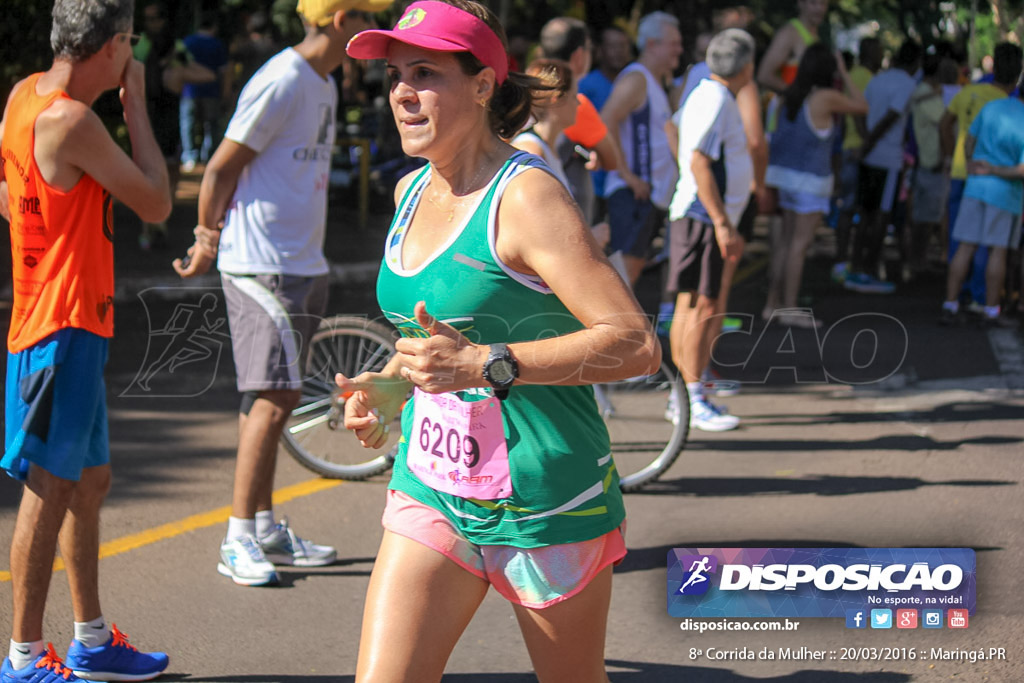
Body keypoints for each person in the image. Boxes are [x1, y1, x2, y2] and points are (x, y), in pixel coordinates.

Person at [342, 2, 660, 680]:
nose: (401, 91)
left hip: (548, 499)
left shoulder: (525, 198)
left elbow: (634, 343)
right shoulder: (408, 191)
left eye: (425, 73)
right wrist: (391, 388)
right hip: (433, 485)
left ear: (483, 85)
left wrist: (487, 363)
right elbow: (430, 343)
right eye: (395, 75)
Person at [173, 0, 382, 587]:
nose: (378, 34)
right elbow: (219, 168)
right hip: (258, 265)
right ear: (341, 20)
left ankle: (262, 526)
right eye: (371, 18)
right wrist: (206, 241)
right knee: (273, 399)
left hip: (300, 263)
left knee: (275, 401)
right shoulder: (283, 78)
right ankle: (238, 537)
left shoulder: (325, 83)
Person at [0, 0, 172, 679]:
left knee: (89, 482)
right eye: (129, 43)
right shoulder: (73, 119)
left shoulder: (24, 95)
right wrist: (134, 108)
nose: (132, 55)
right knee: (50, 487)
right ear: (114, 46)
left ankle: (92, 639)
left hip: (62, 319)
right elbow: (157, 202)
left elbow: (10, 195)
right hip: (61, 328)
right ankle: (21, 656)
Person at [664, 29, 756, 431]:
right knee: (701, 305)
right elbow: (700, 158)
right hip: (703, 215)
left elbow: (674, 130)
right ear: (748, 66)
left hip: (697, 211)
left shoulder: (705, 92)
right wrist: (722, 222)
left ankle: (686, 394)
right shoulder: (718, 99)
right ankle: (690, 396)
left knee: (694, 304)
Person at [763, 44, 867, 326]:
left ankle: (773, 304)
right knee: (799, 245)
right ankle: (790, 308)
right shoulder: (825, 97)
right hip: (810, 181)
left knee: (785, 243)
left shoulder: (787, 96)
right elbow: (862, 106)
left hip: (783, 177)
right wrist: (846, 74)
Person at [941, 54, 1024, 328]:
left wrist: (974, 164)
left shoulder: (992, 107)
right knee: (997, 252)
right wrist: (995, 170)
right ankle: (991, 310)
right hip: (1005, 193)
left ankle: (950, 304)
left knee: (964, 246)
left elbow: (969, 140)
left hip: (975, 186)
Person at [601, 11, 682, 285]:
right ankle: (618, 328)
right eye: (674, 43)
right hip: (634, 193)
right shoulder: (637, 79)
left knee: (632, 269)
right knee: (625, 269)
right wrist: (627, 175)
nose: (679, 50)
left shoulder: (656, 81)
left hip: (648, 194)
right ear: (651, 44)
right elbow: (606, 119)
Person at [846, 40, 922, 294]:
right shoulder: (907, 84)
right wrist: (869, 143)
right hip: (887, 159)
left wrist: (865, 140)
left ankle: (856, 266)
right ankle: (866, 271)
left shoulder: (877, 80)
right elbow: (890, 117)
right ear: (915, 63)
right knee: (881, 215)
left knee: (865, 213)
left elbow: (859, 110)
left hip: (871, 157)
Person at [536, 17, 622, 226]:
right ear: (579, 56)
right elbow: (612, 160)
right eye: (590, 49)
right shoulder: (574, 106)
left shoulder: (529, 92)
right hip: (565, 218)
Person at [832, 36, 882, 283]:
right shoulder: (862, 76)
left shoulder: (857, 74)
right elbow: (858, 111)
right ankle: (845, 261)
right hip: (857, 151)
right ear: (868, 53)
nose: (882, 56)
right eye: (879, 51)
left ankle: (846, 260)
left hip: (853, 149)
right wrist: (865, 142)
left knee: (853, 208)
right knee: (853, 208)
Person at [907, 54, 956, 278]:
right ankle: (918, 262)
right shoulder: (927, 96)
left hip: (928, 163)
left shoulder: (925, 94)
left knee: (926, 220)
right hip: (932, 164)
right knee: (925, 221)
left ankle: (919, 260)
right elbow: (945, 124)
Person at [578, 24, 632, 201]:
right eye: (612, 46)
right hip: (595, 178)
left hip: (626, 180)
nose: (618, 52)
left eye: (622, 46)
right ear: (600, 50)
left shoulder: (633, 83)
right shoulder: (586, 85)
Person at [179, 11, 229, 172]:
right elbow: (224, 71)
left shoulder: (187, 41)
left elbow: (178, 66)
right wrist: (225, 92)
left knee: (188, 124)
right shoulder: (217, 44)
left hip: (189, 91)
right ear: (213, 27)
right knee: (211, 125)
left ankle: (189, 157)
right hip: (212, 92)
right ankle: (209, 158)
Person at [756, 0, 828, 93]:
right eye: (813, 3)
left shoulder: (815, 37)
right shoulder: (790, 33)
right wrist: (796, 95)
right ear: (801, 3)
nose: (819, 9)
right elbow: (764, 76)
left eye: (823, 3)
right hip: (787, 105)